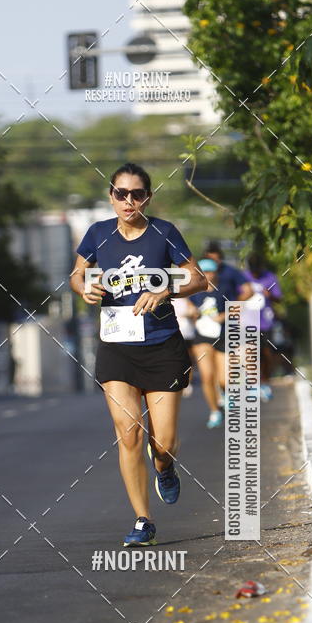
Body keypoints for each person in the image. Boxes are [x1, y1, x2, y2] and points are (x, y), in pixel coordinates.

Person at [70, 162, 204, 547]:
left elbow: (197, 278)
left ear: (149, 196)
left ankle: (164, 465)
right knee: (128, 433)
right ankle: (143, 520)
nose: (129, 201)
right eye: (121, 194)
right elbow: (77, 274)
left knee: (162, 442)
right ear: (111, 196)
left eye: (138, 194)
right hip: (117, 347)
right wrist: (84, 289)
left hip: (162, 346)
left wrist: (166, 291)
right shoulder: (97, 234)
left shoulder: (164, 232)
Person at [204, 240, 252, 395]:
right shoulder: (200, 272)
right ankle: (219, 399)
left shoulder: (231, 272)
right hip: (206, 326)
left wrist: (233, 307)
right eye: (211, 260)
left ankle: (234, 389)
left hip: (228, 323)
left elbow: (248, 290)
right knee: (209, 371)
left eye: (217, 259)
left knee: (231, 365)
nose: (214, 263)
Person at [188, 259, 226, 428]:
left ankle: (224, 396)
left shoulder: (224, 290)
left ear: (215, 273)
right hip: (202, 337)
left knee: (225, 379)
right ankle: (214, 411)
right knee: (207, 376)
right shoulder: (193, 292)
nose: (208, 275)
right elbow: (185, 307)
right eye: (205, 272)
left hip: (223, 334)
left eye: (211, 271)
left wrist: (223, 316)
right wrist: (192, 312)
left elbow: (238, 306)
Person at [243, 252, 283, 400]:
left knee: (266, 354)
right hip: (247, 322)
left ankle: (265, 383)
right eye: (252, 270)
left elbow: (279, 298)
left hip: (266, 323)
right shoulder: (242, 277)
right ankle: (253, 384)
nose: (255, 273)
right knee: (251, 354)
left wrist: (270, 295)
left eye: (257, 270)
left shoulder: (270, 277)